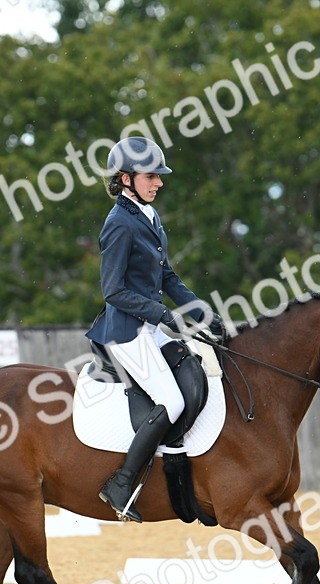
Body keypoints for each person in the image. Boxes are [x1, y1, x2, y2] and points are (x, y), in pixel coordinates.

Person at [85, 136, 227, 522]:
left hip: (152, 326)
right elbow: (113, 290)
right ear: (126, 179)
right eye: (152, 176)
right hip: (127, 331)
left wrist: (201, 311)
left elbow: (168, 277)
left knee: (199, 375)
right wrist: (163, 315)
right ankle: (121, 483)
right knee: (173, 401)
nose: (159, 183)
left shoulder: (150, 217)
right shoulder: (118, 225)